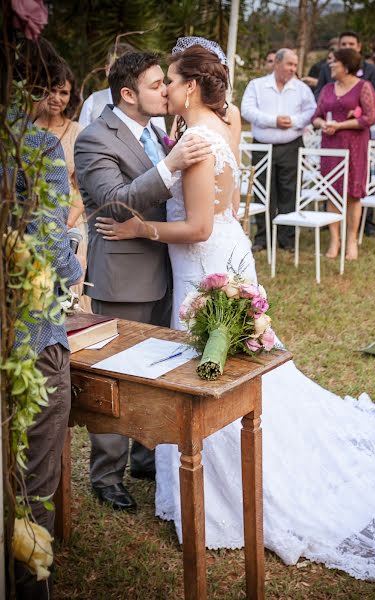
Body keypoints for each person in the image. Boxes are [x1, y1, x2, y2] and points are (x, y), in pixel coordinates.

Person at [96, 38, 375, 588]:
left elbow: (197, 225)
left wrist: (140, 228)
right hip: (222, 256)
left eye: (171, 81)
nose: (165, 89)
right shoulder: (222, 126)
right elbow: (229, 209)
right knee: (232, 368)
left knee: (215, 373)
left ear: (190, 86)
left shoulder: (196, 139)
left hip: (202, 262)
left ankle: (233, 483)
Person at [74, 51, 212, 512]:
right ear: (128, 94)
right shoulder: (95, 138)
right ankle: (106, 475)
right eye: (157, 85)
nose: (166, 91)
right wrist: (169, 166)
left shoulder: (157, 130)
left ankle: (145, 456)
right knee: (114, 380)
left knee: (157, 370)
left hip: (168, 268)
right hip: (124, 274)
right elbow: (111, 204)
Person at [11, 38, 84, 599]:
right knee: (34, 480)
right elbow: (51, 253)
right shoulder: (34, 147)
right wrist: (74, 253)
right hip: (30, 336)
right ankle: (30, 587)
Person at [241, 48, 316, 252]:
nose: (293, 69)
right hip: (262, 146)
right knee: (263, 191)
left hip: (291, 146)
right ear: (277, 64)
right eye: (289, 64)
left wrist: (292, 122)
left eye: (295, 65)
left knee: (290, 191)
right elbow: (246, 110)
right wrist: (273, 121)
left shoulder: (301, 89)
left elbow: (311, 111)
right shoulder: (257, 85)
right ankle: (263, 238)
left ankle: (286, 238)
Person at [34, 61, 91, 311]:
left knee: (69, 303)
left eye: (64, 92)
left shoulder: (77, 132)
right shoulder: (25, 132)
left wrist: (63, 223)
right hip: (31, 225)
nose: (56, 98)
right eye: (51, 90)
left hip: (70, 226)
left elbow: (83, 187)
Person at [312, 48, 375, 260]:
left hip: (355, 146)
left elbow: (369, 118)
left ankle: (351, 240)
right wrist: (324, 124)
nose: (330, 65)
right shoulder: (328, 89)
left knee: (352, 193)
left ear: (346, 66)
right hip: (330, 145)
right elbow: (316, 116)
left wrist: (341, 125)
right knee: (332, 192)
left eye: (335, 63)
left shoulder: (363, 87)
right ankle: (334, 240)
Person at [79, 42, 166, 132]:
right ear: (107, 70)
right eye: (114, 68)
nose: (121, 73)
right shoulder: (92, 102)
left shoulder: (152, 105)